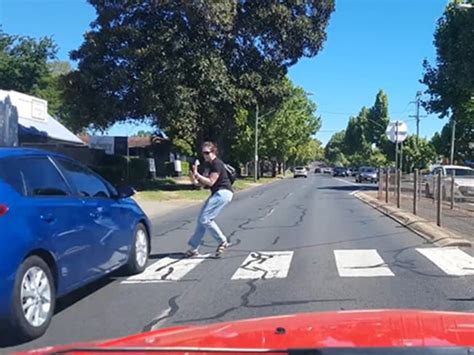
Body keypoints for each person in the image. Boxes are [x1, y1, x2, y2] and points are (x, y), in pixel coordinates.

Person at [186, 141, 233, 257]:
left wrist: (198, 175)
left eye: (207, 152)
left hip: (223, 193)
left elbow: (211, 182)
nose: (205, 155)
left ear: (213, 152)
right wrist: (194, 179)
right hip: (217, 194)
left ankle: (222, 241)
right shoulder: (209, 166)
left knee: (205, 219)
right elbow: (201, 185)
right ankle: (194, 248)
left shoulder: (217, 164)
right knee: (201, 220)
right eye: (203, 153)